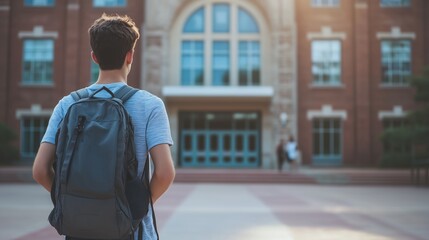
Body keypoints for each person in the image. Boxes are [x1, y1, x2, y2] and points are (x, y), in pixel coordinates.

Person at [32, 14, 175, 240]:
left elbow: (40, 170)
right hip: (131, 230)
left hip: (79, 229)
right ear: (130, 56)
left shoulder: (68, 104)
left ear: (94, 56)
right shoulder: (150, 105)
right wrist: (129, 206)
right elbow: (165, 173)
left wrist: (78, 202)